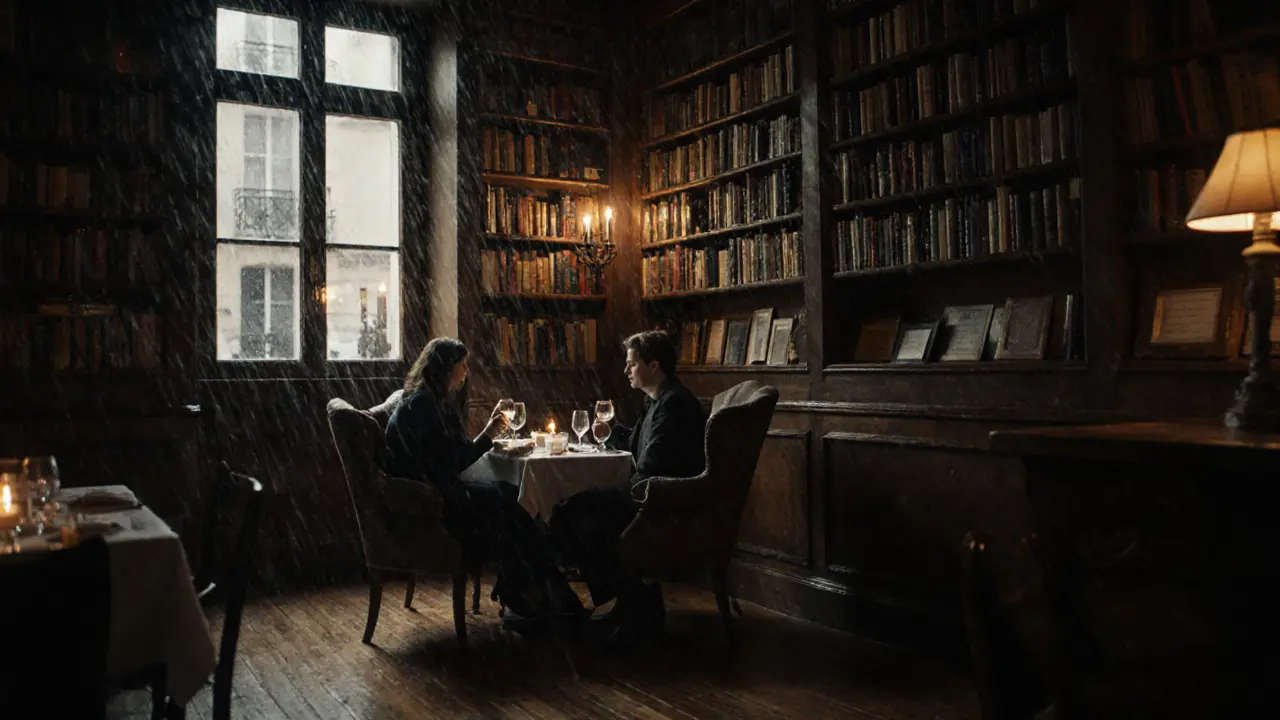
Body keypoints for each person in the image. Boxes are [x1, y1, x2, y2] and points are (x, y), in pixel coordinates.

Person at [383, 337, 582, 627]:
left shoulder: (426, 400)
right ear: (446, 368)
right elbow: (451, 462)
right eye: (462, 366)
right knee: (510, 504)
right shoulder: (425, 406)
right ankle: (537, 592)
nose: (466, 372)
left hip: (435, 493)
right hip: (432, 504)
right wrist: (488, 434)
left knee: (509, 500)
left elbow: (448, 458)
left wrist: (485, 437)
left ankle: (528, 592)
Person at [550, 330, 708, 645]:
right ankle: (626, 601)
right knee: (576, 508)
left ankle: (622, 603)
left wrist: (617, 490)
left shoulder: (673, 404)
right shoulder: (658, 400)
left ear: (654, 365)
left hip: (664, 500)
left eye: (632, 364)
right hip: (652, 491)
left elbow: (654, 464)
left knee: (576, 511)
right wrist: (612, 433)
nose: (627, 371)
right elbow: (638, 445)